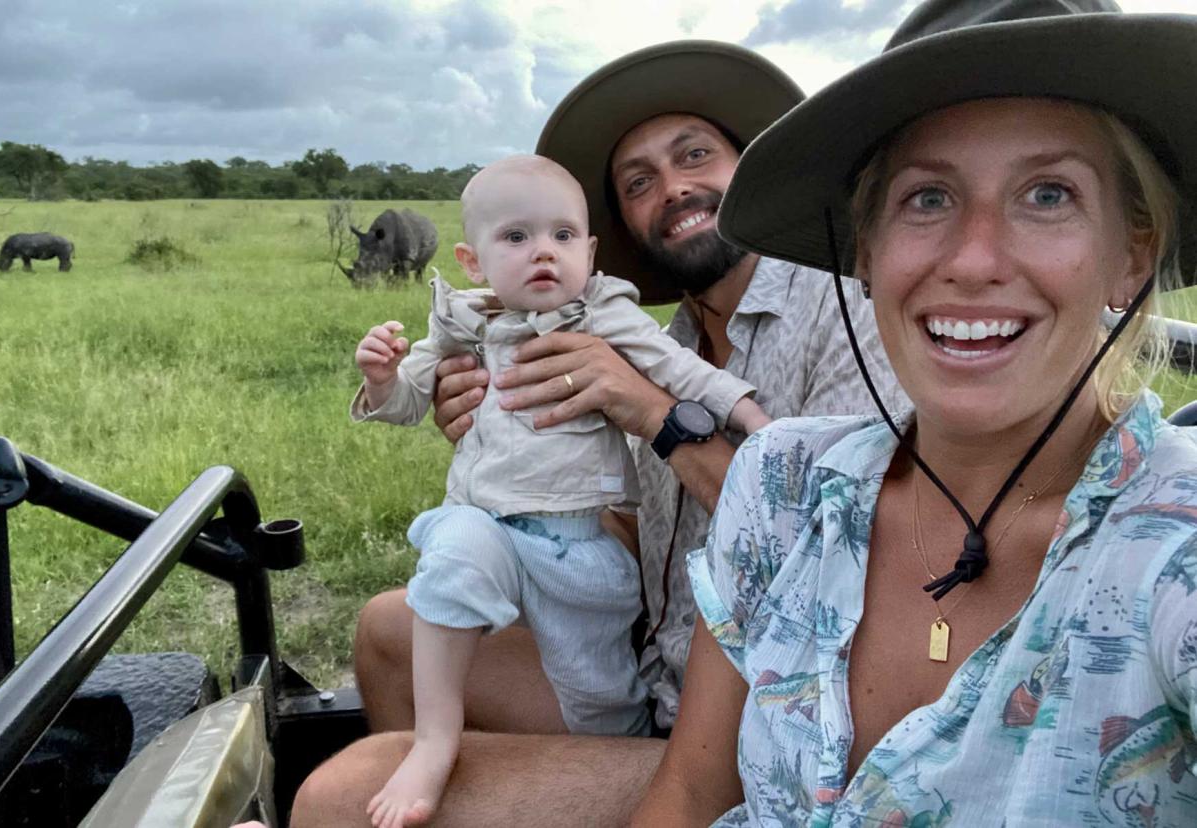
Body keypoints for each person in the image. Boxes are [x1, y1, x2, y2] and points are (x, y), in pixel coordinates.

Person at [292, 41, 905, 827]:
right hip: (652, 673)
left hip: (764, 723)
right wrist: (510, 445)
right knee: (388, 629)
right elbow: (629, 530)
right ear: (620, 228)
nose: (674, 188)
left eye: (695, 155)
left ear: (752, 170)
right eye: (639, 183)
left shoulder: (844, 312)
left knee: (336, 795)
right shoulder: (667, 340)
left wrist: (654, 415)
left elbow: (839, 549)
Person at [638, 1, 1197, 825]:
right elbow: (689, 793)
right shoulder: (784, 486)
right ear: (865, 252)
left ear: (1132, 257)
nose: (973, 259)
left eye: (1047, 194)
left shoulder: (1171, 554)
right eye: (927, 198)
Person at [351, 153, 768, 827]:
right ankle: (434, 741)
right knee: (450, 552)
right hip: (489, 524)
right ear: (473, 259)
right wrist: (385, 380)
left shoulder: (603, 316)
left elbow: (679, 372)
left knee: (596, 698)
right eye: (517, 238)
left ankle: (603, 752)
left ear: (591, 250)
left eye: (562, 236)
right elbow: (408, 395)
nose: (543, 252)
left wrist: (751, 416)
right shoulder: (463, 320)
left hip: (580, 550)